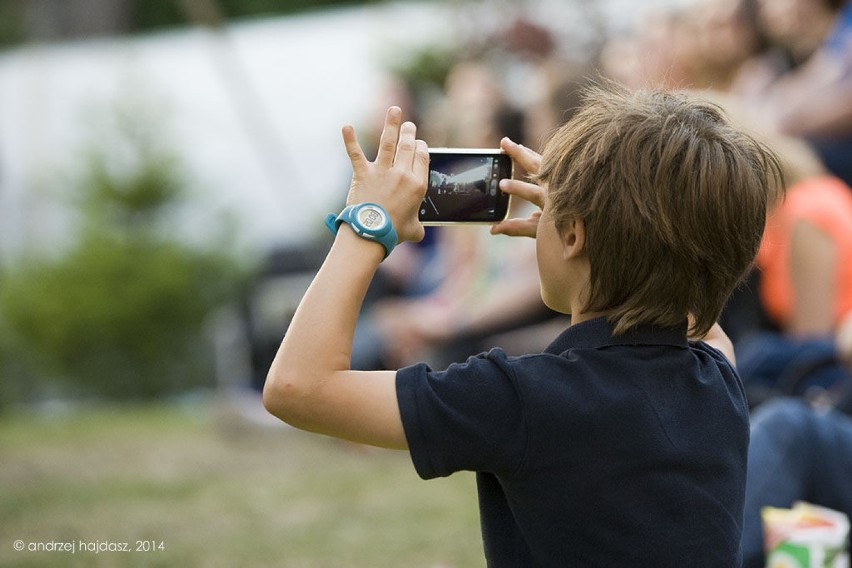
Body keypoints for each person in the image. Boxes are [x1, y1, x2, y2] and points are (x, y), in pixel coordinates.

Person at [262, 82, 784, 565]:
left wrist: (365, 223)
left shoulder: (521, 398)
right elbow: (698, 313)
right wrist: (580, 223)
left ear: (574, 235)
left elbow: (296, 387)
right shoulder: (718, 382)